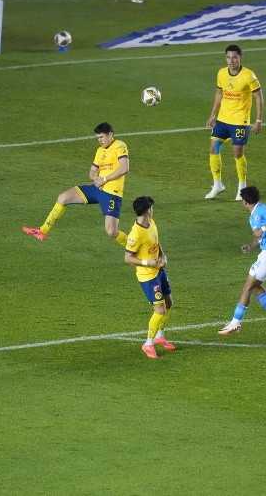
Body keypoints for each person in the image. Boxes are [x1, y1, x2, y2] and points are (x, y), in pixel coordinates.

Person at [23, 122, 129, 245]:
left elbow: (124, 168)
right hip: (97, 189)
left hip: (112, 193)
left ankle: (133, 247)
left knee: (111, 231)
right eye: (98, 138)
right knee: (63, 197)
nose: (99, 140)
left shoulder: (119, 145)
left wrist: (104, 179)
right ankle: (42, 231)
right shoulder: (100, 151)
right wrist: (95, 178)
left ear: (110, 134)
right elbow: (92, 171)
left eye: (102, 137)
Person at [218, 186, 266, 336]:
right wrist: (251, 247)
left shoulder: (262, 209)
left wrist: (262, 228)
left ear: (245, 202)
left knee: (248, 287)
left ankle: (235, 324)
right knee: (255, 286)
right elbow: (261, 237)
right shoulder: (254, 214)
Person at [204, 44, 264, 201]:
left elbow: (259, 97)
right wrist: (213, 115)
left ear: (240, 58)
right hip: (223, 119)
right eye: (228, 57)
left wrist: (258, 120)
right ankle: (217, 185)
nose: (231, 61)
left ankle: (242, 187)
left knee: (237, 152)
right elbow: (219, 93)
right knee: (213, 148)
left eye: (234, 57)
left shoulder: (248, 75)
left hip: (240, 121)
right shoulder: (222, 73)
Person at [124, 196, 175, 359]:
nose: (153, 210)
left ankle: (160, 337)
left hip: (159, 270)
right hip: (147, 276)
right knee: (159, 309)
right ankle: (148, 344)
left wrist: (163, 256)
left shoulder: (151, 223)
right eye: (151, 208)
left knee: (168, 303)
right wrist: (148, 262)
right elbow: (127, 258)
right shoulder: (136, 234)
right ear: (147, 211)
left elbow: (156, 242)